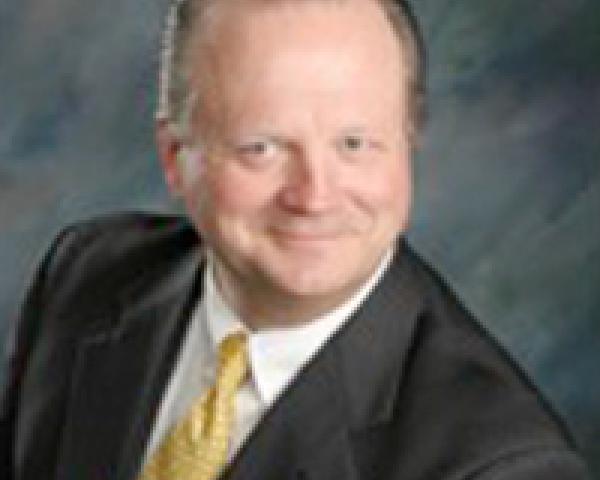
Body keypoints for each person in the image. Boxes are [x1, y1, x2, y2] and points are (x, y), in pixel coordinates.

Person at [0, 0, 591, 479]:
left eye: (354, 144)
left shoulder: (501, 465)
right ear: (176, 157)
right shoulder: (86, 276)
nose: (314, 197)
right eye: (261, 148)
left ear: (407, 142)